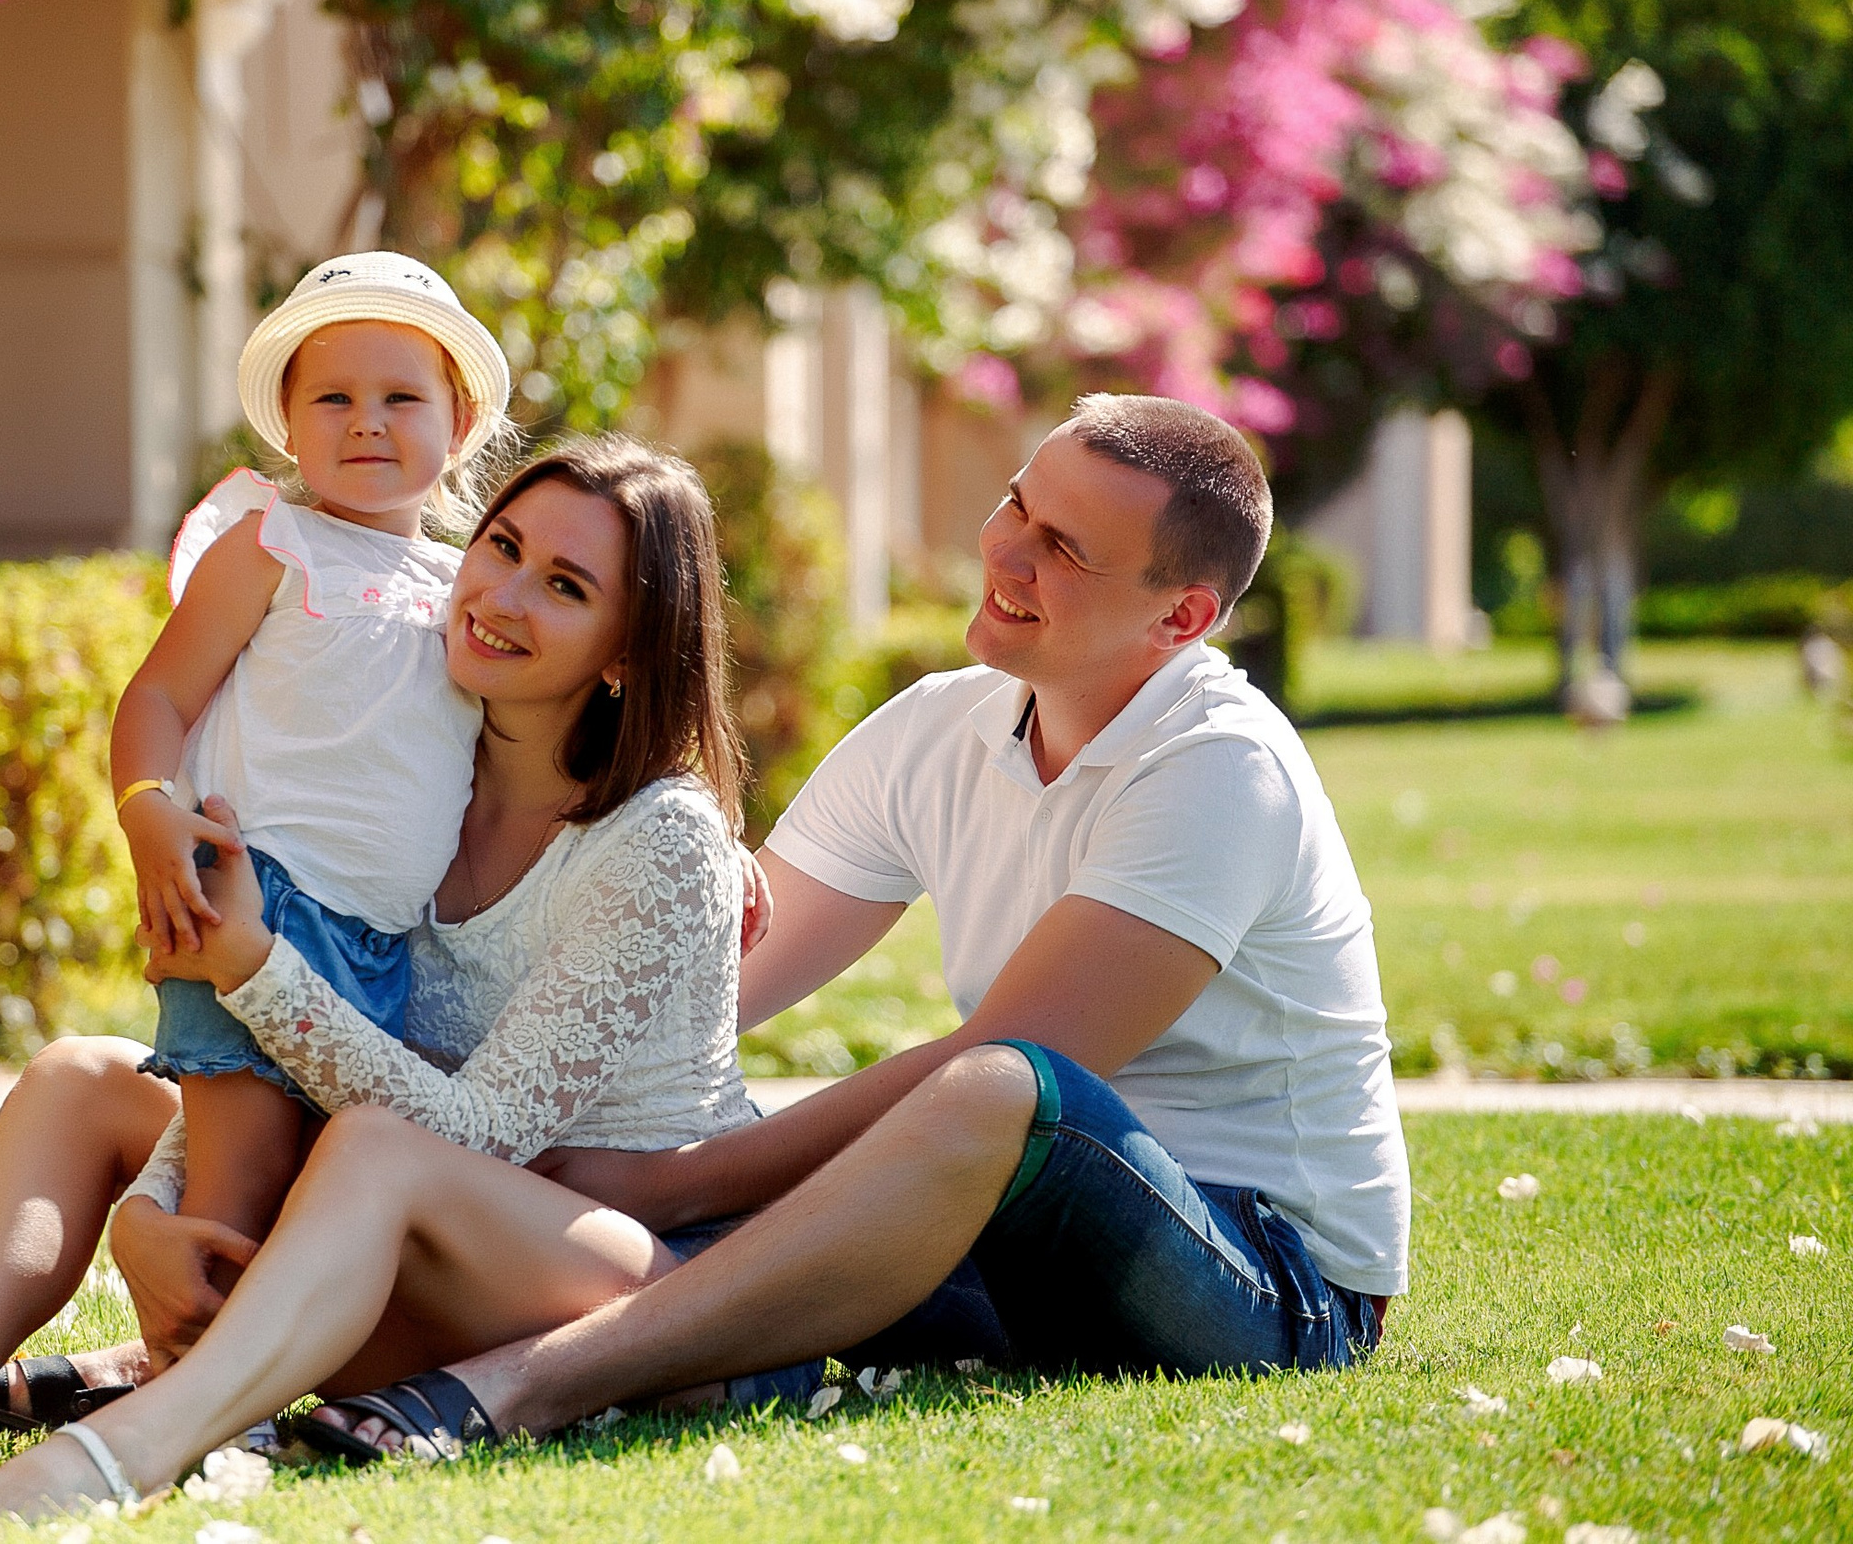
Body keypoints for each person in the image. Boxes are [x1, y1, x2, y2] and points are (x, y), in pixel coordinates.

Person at [0, 438, 778, 1519]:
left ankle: (124, 1449)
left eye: (566, 585)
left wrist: (252, 970)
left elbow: (475, 1134)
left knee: (376, 1147)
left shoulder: (656, 840)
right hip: (391, 1230)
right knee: (80, 1078)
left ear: (630, 650)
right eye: (500, 546)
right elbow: (316, 1052)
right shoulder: (427, 772)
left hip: (613, 1288)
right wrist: (152, 1211)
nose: (500, 595)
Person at [303, 393, 1412, 1458]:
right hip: (996, 1242)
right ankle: (248, 1358)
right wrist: (673, 880)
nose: (1007, 552)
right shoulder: (943, 725)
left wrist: (674, 1182)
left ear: (1180, 618)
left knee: (994, 1087)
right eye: (1018, 503)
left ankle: (524, 1384)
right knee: (676, 1197)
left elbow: (1025, 1074)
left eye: (1064, 550)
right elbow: (715, 989)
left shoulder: (1220, 767)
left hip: (1261, 1277)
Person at [110, 250, 514, 1252]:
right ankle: (191, 1398)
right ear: (287, 425)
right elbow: (160, 690)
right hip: (259, 898)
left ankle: (224, 1371)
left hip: (388, 947)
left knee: (317, 1196)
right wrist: (146, 805)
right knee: (236, 1193)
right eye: (332, 397)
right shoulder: (273, 543)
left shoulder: (474, 582)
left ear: (459, 427)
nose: (365, 420)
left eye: (400, 398)